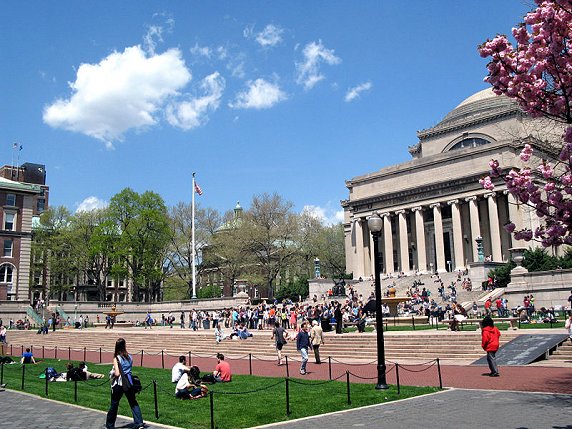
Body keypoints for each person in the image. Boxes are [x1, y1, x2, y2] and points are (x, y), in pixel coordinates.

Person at [105, 338, 144, 429]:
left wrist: (111, 373)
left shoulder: (117, 358)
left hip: (119, 383)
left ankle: (110, 425)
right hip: (129, 382)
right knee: (133, 402)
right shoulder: (130, 357)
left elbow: (117, 373)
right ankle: (139, 423)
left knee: (114, 403)